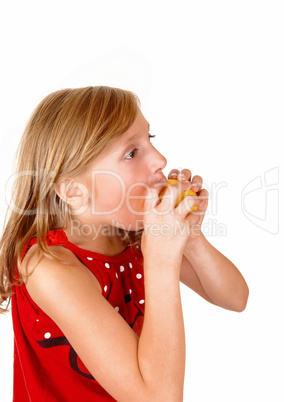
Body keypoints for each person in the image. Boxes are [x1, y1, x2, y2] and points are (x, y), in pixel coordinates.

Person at [0, 86, 249, 401]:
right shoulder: (49, 268)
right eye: (132, 152)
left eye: (151, 140)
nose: (160, 159)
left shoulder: (131, 234)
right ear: (74, 191)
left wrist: (192, 236)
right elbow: (160, 398)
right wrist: (160, 260)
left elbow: (236, 298)